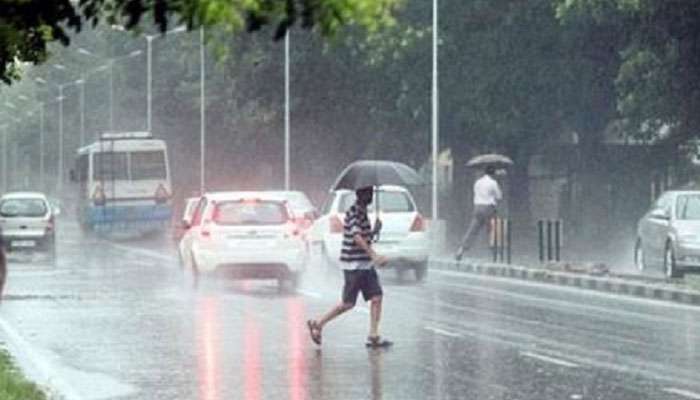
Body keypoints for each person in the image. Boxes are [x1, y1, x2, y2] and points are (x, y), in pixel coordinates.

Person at [307, 186, 392, 348]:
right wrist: (374, 255)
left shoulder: (362, 212)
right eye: (368, 193)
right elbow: (356, 237)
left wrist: (374, 231)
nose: (371, 196)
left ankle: (374, 335)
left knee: (376, 297)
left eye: (372, 193)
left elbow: (364, 236)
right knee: (348, 303)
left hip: (365, 264)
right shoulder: (354, 212)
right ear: (361, 194)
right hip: (354, 265)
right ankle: (318, 324)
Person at [455, 165, 502, 261]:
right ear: (493, 174)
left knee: (473, 230)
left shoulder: (478, 182)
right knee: (493, 230)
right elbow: (499, 196)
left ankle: (461, 250)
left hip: (477, 208)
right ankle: (496, 253)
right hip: (489, 208)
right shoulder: (493, 183)